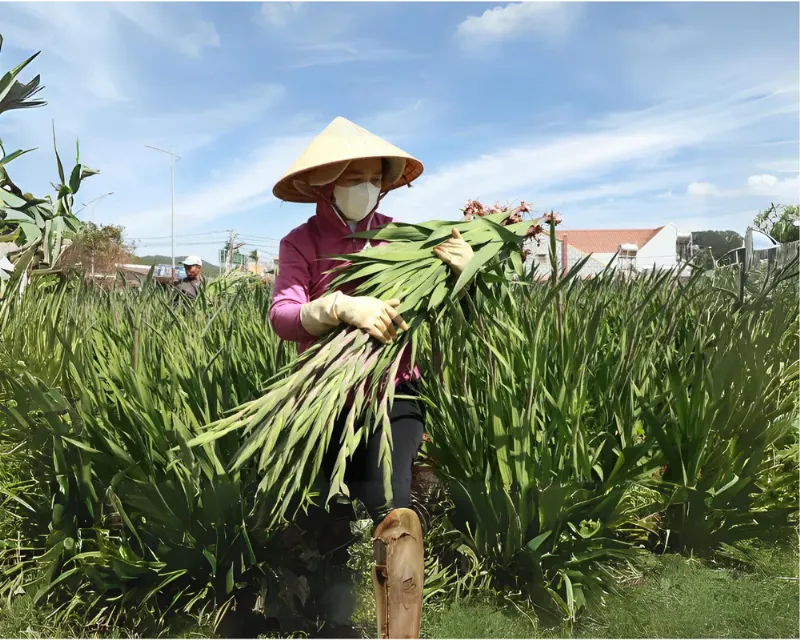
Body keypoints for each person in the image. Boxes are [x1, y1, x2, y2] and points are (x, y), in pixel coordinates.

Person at [269, 116, 474, 638]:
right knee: (326, 513)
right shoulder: (302, 243)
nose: (365, 187)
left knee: (393, 506)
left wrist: (463, 276)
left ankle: (399, 630)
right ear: (325, 181)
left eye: (374, 178)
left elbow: (449, 313)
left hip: (396, 391)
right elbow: (283, 316)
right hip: (324, 399)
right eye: (352, 176)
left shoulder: (407, 240)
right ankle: (325, 618)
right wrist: (336, 306)